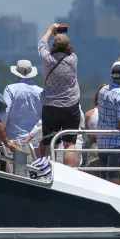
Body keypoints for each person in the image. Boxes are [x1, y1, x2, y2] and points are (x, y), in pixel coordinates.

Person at [37, 24, 80, 166]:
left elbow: (41, 45)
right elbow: (64, 47)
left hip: (51, 105)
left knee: (50, 143)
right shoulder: (73, 59)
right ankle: (69, 173)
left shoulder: (48, 60)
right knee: (69, 144)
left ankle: (48, 171)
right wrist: (60, 37)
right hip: (70, 105)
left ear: (54, 46)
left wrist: (50, 30)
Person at [3, 59, 43, 146]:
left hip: (13, 139)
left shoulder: (10, 89)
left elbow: (5, 112)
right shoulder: (41, 92)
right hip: (35, 140)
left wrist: (1, 131)